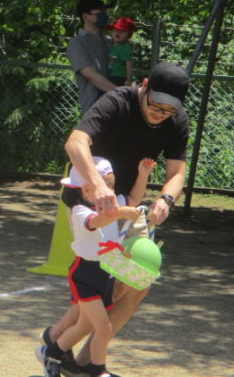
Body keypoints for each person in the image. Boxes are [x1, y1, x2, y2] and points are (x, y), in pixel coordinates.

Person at [41, 61, 190, 372]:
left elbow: (177, 173)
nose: (160, 114)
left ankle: (83, 362)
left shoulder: (176, 121)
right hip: (89, 201)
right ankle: (56, 341)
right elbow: (75, 142)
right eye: (156, 105)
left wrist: (166, 200)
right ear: (144, 86)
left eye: (168, 110)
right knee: (103, 282)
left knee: (139, 279)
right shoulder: (117, 102)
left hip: (129, 202)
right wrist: (97, 187)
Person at [36, 157, 155, 377]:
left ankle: (51, 352)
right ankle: (98, 371)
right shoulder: (80, 211)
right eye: (106, 186)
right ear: (88, 189)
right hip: (85, 274)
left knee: (84, 326)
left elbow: (134, 199)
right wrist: (121, 212)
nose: (111, 192)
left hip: (104, 273)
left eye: (111, 186)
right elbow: (97, 221)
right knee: (103, 327)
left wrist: (143, 175)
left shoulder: (111, 203)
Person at [66, 0, 118, 113]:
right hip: (94, 111)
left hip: (117, 107)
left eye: (105, 11)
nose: (104, 15)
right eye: (100, 12)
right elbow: (91, 75)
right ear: (85, 16)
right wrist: (121, 92)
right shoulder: (77, 43)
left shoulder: (110, 41)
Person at [106, 17, 136, 86]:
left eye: (122, 31)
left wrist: (129, 79)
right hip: (110, 75)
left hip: (119, 77)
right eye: (115, 30)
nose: (118, 33)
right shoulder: (111, 45)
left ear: (128, 35)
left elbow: (129, 63)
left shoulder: (125, 47)